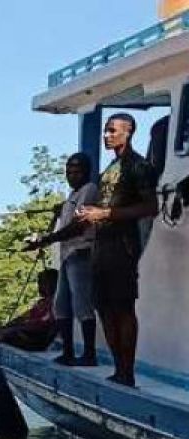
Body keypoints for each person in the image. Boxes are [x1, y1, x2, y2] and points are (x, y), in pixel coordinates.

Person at [74, 113, 159, 387]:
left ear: (129, 132)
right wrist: (89, 214)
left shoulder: (138, 166)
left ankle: (127, 371)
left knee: (123, 307)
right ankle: (118, 366)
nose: (106, 136)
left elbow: (150, 207)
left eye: (112, 131)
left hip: (123, 245)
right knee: (102, 305)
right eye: (105, 131)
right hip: (102, 245)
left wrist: (106, 213)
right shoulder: (110, 168)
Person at [24, 153, 99, 366]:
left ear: (86, 172)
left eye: (77, 172)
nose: (72, 176)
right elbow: (66, 218)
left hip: (81, 252)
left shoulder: (89, 190)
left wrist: (47, 239)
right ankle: (67, 351)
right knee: (61, 306)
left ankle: (90, 353)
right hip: (68, 254)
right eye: (69, 172)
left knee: (82, 304)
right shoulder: (72, 196)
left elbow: (79, 225)